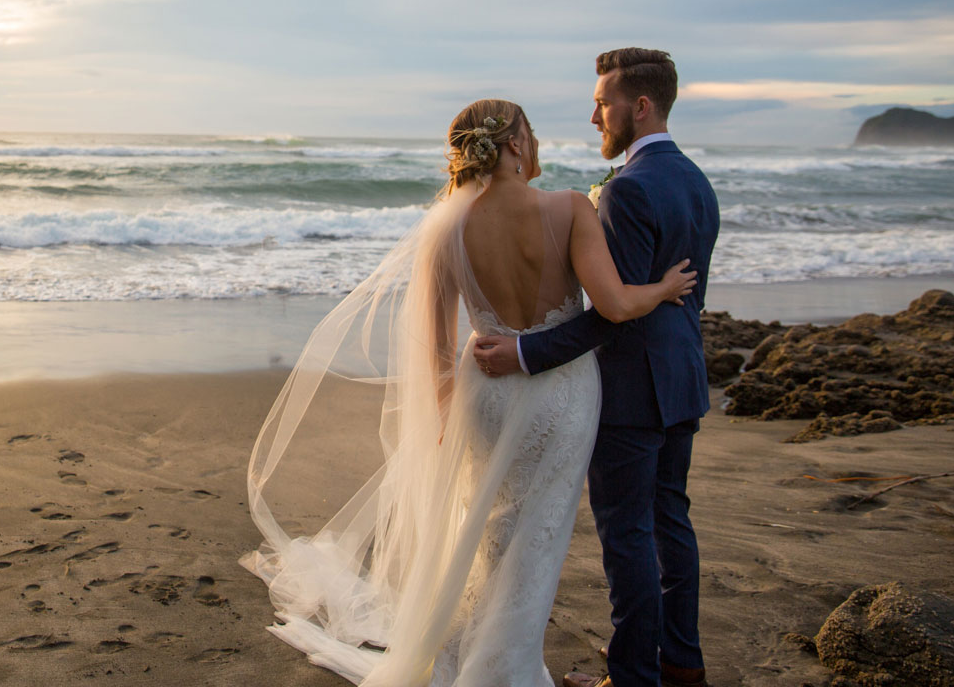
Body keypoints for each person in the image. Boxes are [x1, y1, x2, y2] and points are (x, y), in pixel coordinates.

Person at [243, 93, 697, 687]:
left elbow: (435, 349)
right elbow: (612, 304)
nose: (535, 146)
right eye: (530, 135)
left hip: (484, 395)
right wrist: (663, 289)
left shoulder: (445, 228)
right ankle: (506, 669)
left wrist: (442, 423)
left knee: (491, 535)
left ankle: (470, 661)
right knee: (539, 541)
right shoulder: (568, 209)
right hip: (562, 400)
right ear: (513, 144)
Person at [475, 48, 719, 687]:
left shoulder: (627, 190)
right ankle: (683, 664)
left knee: (629, 535)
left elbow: (618, 311)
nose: (594, 118)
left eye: (603, 103)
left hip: (634, 392)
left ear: (639, 106)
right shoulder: (696, 179)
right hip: (684, 379)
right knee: (671, 522)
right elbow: (670, 294)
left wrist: (526, 353)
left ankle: (637, 677)